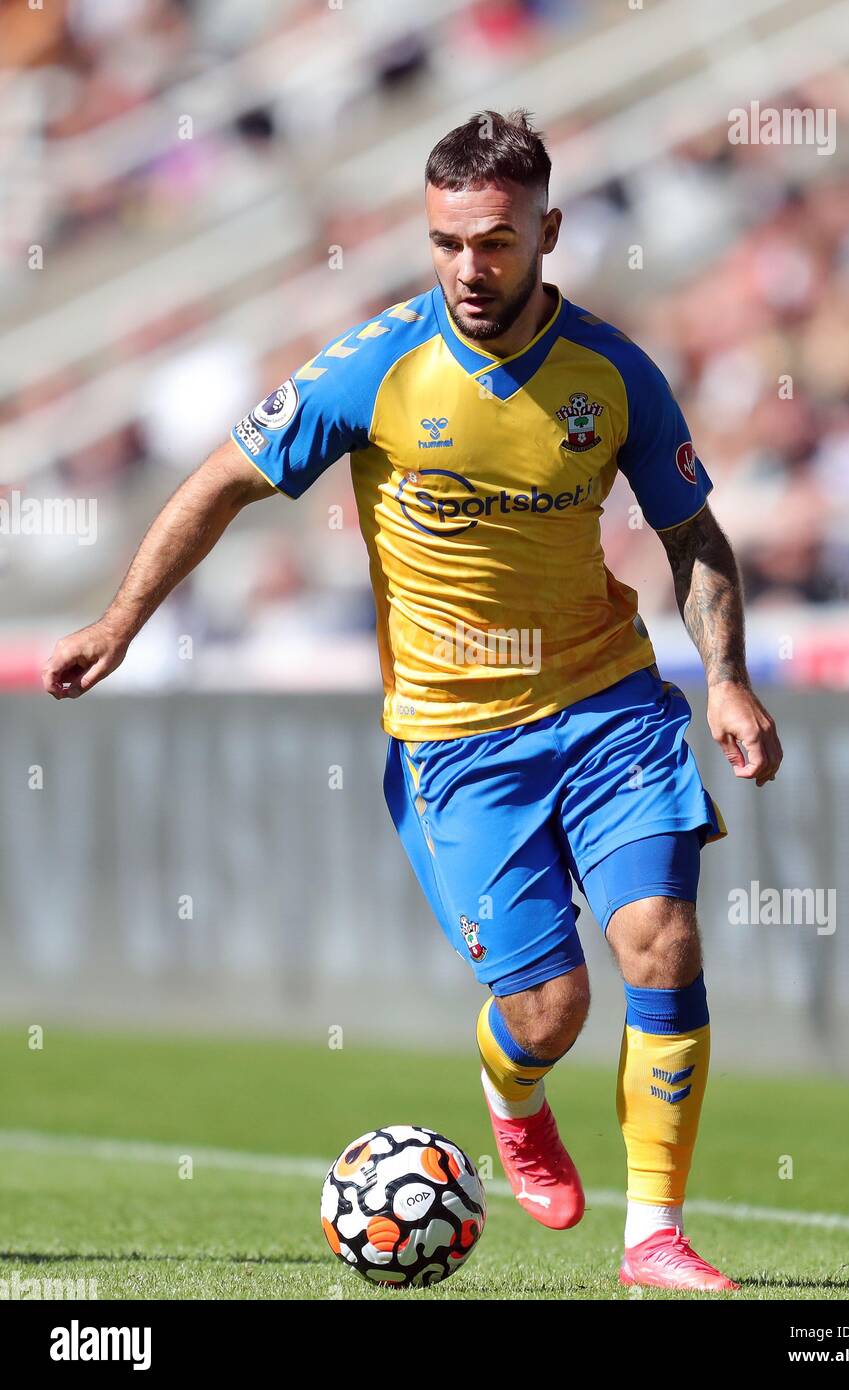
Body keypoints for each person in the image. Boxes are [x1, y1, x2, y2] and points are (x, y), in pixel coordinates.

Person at [43, 109, 782, 1292]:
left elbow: (692, 534)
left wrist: (729, 680)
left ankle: (654, 1237)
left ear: (548, 229)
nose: (467, 270)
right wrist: (120, 620)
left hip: (608, 705)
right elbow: (224, 481)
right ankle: (515, 1095)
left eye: (492, 242)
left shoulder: (614, 372)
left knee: (664, 940)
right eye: (445, 243)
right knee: (548, 1008)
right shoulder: (372, 367)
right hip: (456, 741)